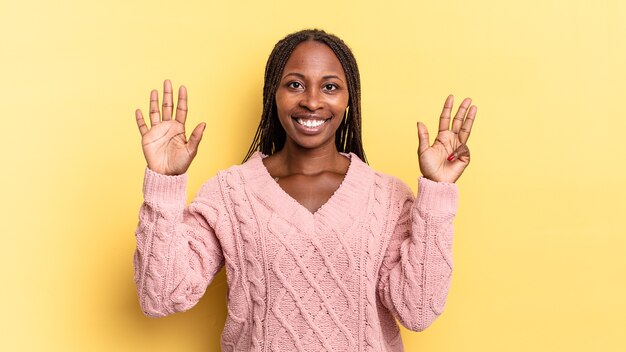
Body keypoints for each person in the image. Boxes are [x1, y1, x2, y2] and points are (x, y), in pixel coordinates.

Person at [133, 29, 477, 351]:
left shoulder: (387, 197)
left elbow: (418, 311)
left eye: (330, 87)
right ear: (273, 94)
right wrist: (164, 183)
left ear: (349, 99)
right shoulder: (229, 194)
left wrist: (437, 192)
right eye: (295, 84)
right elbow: (161, 296)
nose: (312, 101)